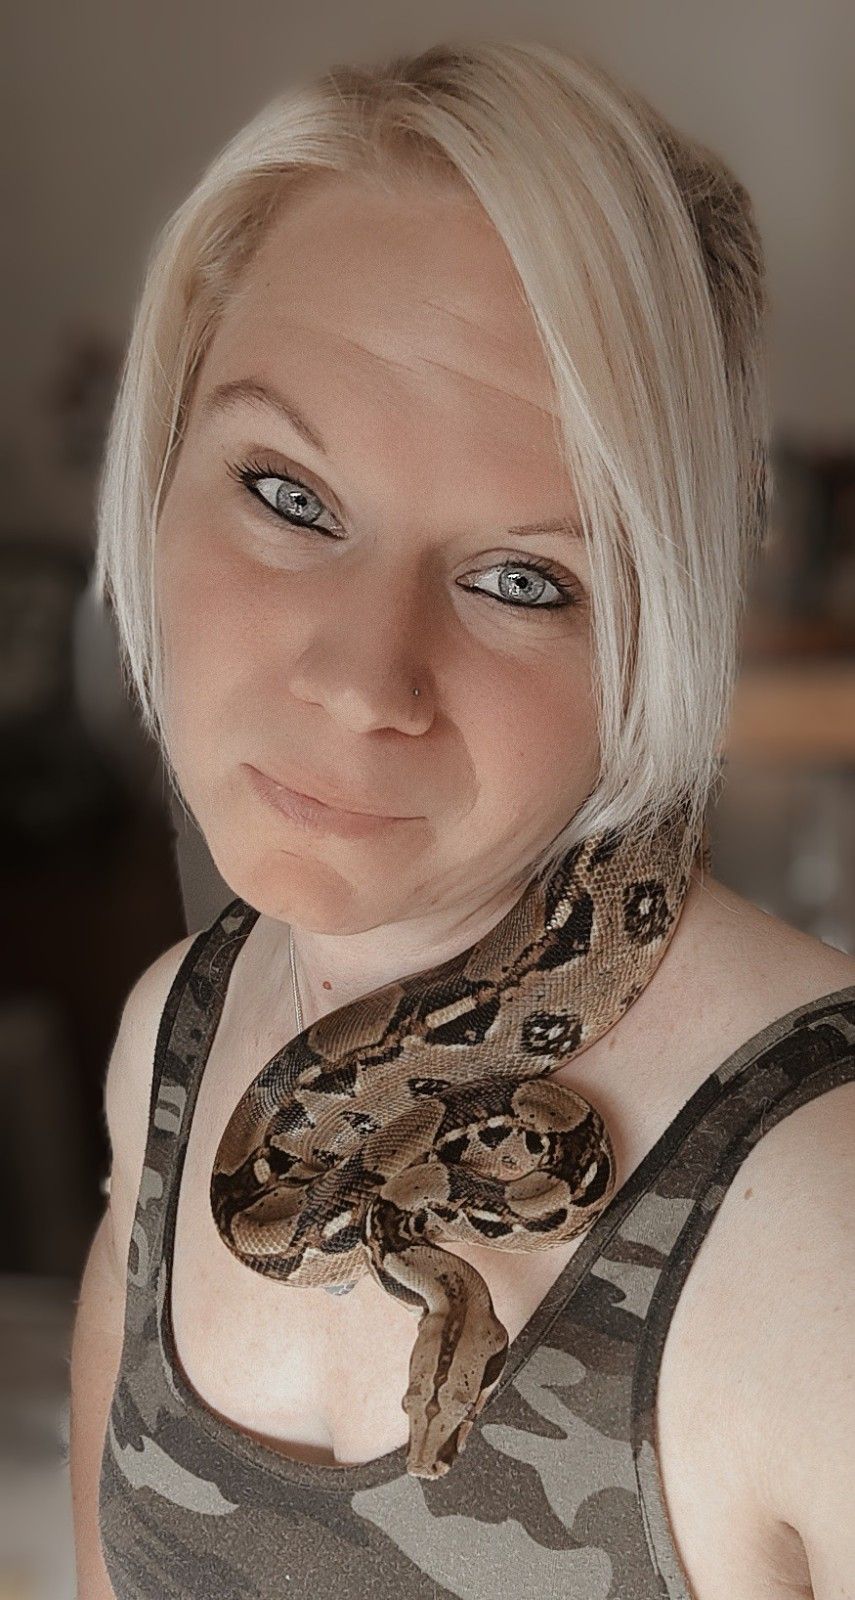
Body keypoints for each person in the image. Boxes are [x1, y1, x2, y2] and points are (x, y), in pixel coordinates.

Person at [71, 36, 855, 1600]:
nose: (364, 683)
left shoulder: (822, 1215)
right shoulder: (176, 1040)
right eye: (289, 494)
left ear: (659, 625)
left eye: (521, 579)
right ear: (158, 463)